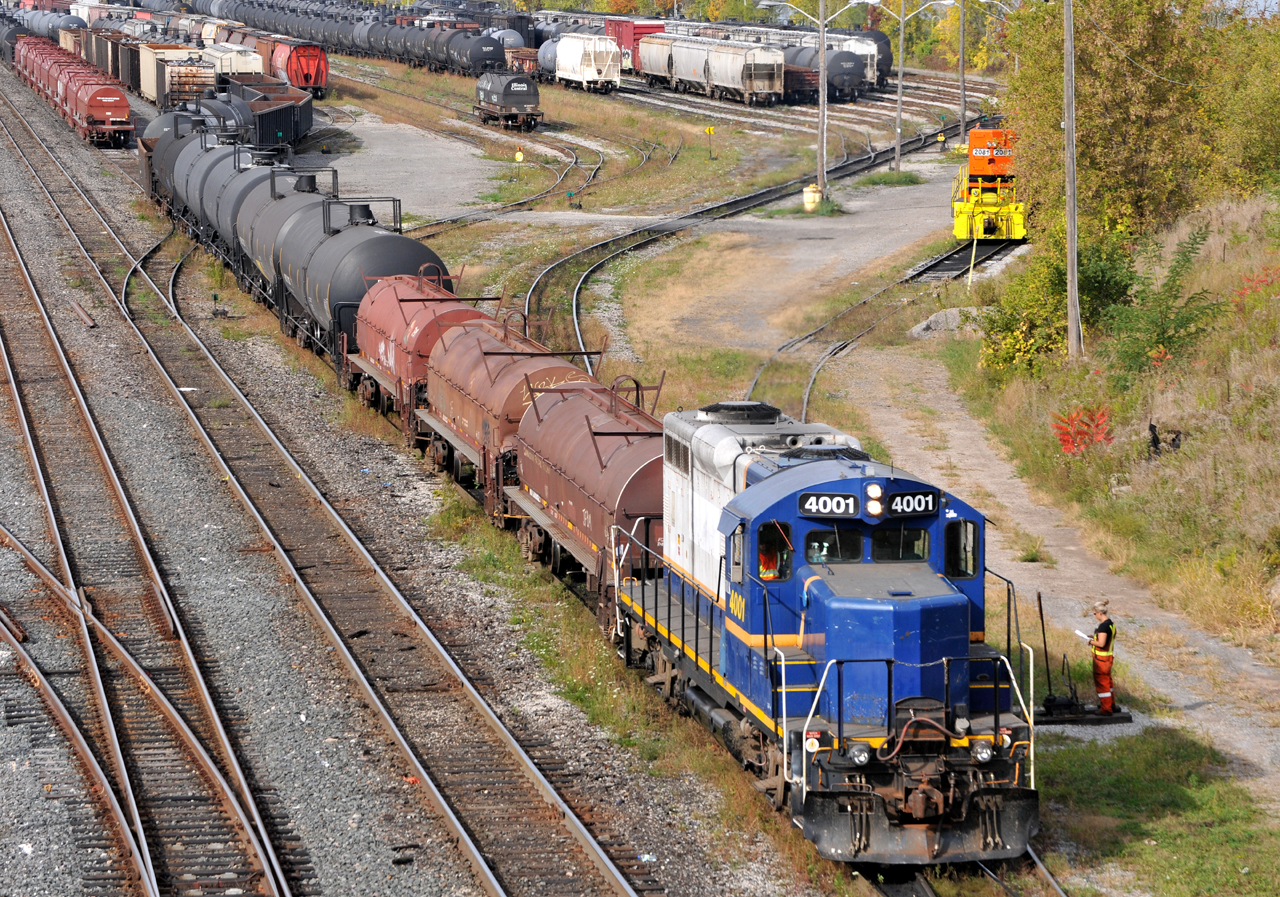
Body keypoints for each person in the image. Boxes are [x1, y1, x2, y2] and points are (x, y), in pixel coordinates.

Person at [1088, 599, 1117, 715]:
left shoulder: (1103, 627)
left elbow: (1101, 644)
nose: (1095, 616)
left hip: (1101, 661)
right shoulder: (1111, 624)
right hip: (1108, 658)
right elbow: (1106, 640)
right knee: (1108, 682)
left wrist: (1090, 642)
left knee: (1102, 684)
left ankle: (1106, 709)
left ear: (1100, 613)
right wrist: (1094, 637)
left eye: (1095, 613)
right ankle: (1111, 705)